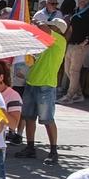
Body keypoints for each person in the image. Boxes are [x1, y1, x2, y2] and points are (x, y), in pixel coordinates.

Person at [20, 28, 66, 163]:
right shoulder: (44, 41)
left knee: (47, 119)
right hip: (31, 82)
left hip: (46, 85)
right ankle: (30, 147)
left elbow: (44, 28)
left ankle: (53, 151)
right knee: (29, 117)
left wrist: (33, 24)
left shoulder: (60, 40)